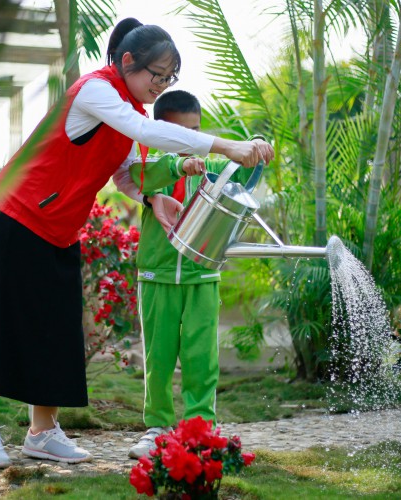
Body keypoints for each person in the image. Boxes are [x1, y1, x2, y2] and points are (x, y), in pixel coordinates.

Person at [0, 18, 275, 469]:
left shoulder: (130, 110)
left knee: (56, 329)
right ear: (128, 62)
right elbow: (146, 135)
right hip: (15, 213)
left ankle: (42, 431)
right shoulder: (96, 91)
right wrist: (226, 147)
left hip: (59, 226)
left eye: (170, 78)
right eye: (157, 75)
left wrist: (153, 197)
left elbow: (124, 174)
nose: (161, 86)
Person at [123, 90, 267, 458]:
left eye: (196, 132)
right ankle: (157, 427)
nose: (192, 142)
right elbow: (135, 176)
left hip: (203, 275)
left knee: (202, 357)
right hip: (156, 275)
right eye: (181, 134)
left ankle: (200, 429)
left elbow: (244, 169)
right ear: (159, 132)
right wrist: (175, 165)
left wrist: (257, 146)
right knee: (158, 357)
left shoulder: (210, 171)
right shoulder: (149, 163)